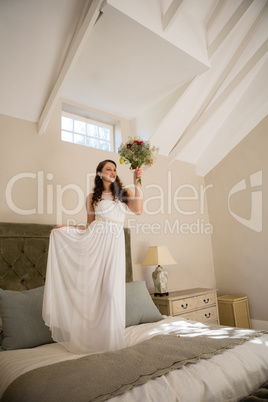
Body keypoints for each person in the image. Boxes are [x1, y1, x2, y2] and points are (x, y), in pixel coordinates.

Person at [42, 159, 143, 354]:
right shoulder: (91, 197)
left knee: (111, 293)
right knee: (93, 292)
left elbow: (138, 210)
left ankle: (111, 341)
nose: (113, 172)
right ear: (99, 173)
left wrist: (137, 181)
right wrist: (67, 229)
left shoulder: (124, 193)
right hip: (95, 244)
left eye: (114, 169)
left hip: (114, 243)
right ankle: (92, 340)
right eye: (108, 169)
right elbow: (89, 226)